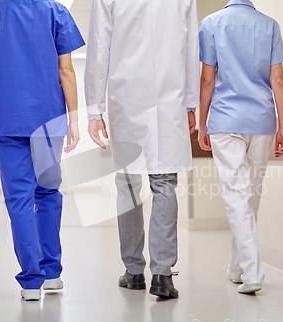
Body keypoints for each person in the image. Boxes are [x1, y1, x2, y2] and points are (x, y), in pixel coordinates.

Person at [0, 0, 85, 301]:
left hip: (7, 116)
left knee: (18, 198)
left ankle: (31, 282)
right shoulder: (56, 11)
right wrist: (74, 120)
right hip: (48, 117)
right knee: (47, 192)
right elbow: (66, 70)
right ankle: (53, 274)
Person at [85, 0, 200, 298]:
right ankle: (162, 275)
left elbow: (99, 50)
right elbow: (192, 49)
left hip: (127, 100)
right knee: (165, 185)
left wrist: (95, 111)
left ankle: (134, 270)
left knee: (128, 186)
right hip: (168, 98)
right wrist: (190, 104)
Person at [198, 0, 283, 294]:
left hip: (225, 119)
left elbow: (207, 78)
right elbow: (277, 79)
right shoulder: (269, 25)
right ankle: (238, 267)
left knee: (237, 196)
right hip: (262, 119)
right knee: (250, 196)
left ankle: (251, 272)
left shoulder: (211, 23)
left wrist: (203, 121)